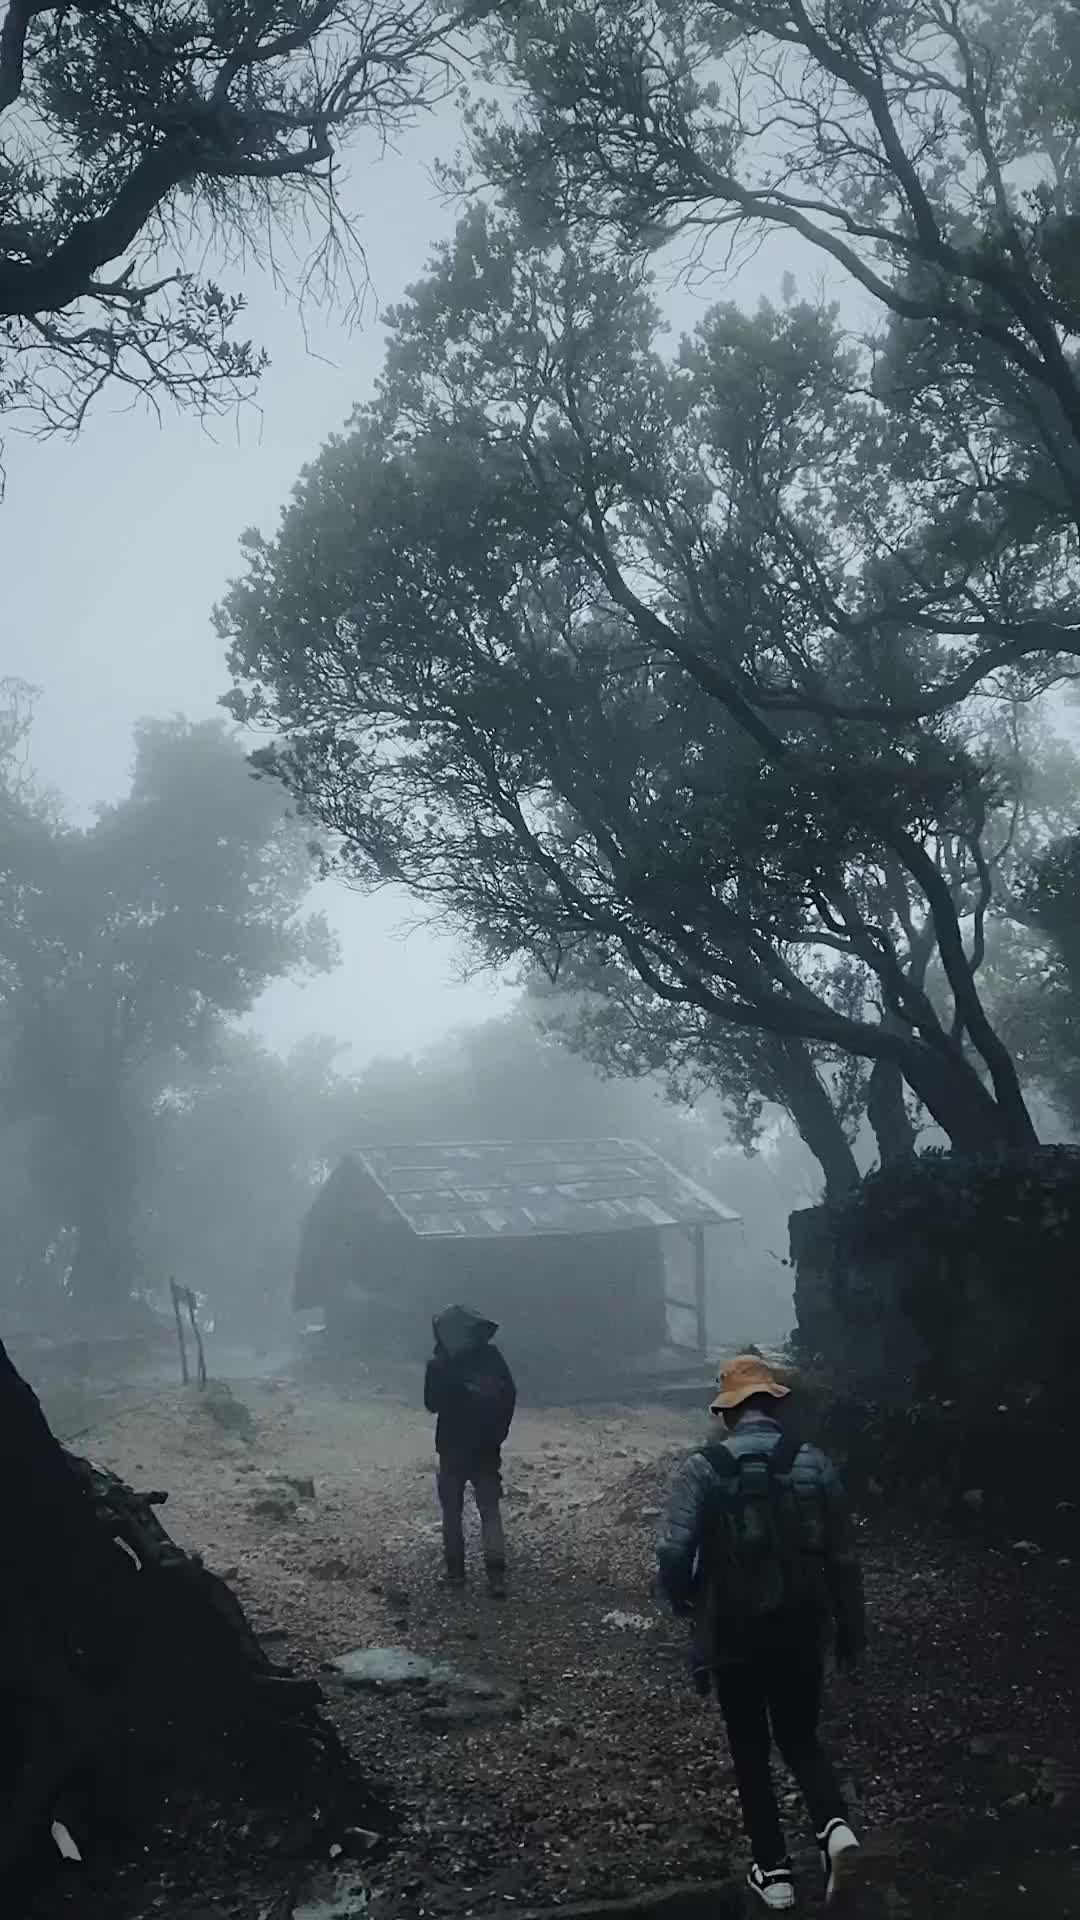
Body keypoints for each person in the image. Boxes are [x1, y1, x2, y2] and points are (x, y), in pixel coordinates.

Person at [657, 1353, 865, 1912]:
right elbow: (843, 1558)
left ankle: (773, 1875)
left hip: (734, 1633)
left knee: (749, 1748)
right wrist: (850, 1629)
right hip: (802, 1625)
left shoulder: (701, 1469)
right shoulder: (813, 1464)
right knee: (799, 1737)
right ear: (773, 1404)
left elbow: (674, 1551)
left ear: (727, 1414)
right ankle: (835, 1829)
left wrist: (680, 1598)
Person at [424, 1304, 517, 1599]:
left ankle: (455, 1575)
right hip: (487, 1449)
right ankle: (496, 1578)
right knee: (490, 1512)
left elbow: (431, 1404)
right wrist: (499, 1434)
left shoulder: (439, 1364)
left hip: (451, 1448)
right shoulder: (492, 1358)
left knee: (452, 1513)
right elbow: (509, 1395)